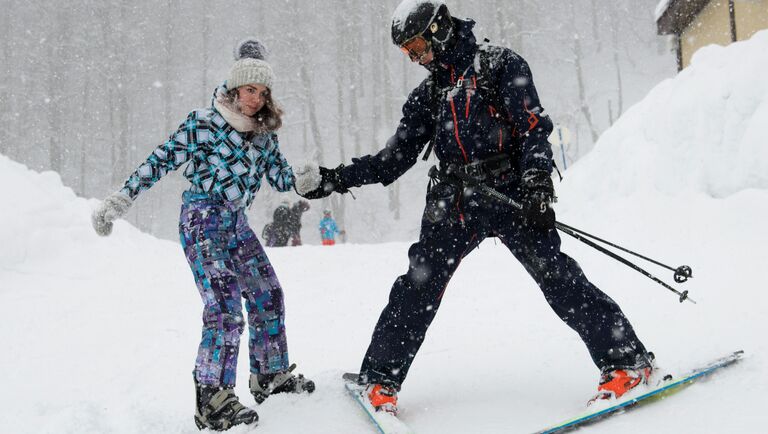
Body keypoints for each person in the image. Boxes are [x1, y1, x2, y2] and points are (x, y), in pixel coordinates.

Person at [295, 0, 655, 415]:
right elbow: (394, 159)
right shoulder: (429, 94)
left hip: (510, 192)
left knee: (556, 276)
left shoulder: (499, 65)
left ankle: (627, 363)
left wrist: (538, 186)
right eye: (406, 53)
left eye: (416, 47)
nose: (415, 59)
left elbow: (534, 129)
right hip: (455, 198)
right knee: (418, 285)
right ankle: (380, 382)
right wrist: (334, 178)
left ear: (438, 30)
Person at [91, 38, 315, 431]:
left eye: (263, 93)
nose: (256, 100)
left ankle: (269, 376)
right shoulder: (204, 124)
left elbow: (281, 177)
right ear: (234, 88)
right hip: (202, 220)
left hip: (237, 224)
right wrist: (120, 200)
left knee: (267, 293)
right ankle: (211, 397)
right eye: (250, 90)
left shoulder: (264, 134)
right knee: (225, 307)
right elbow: (159, 161)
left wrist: (306, 178)